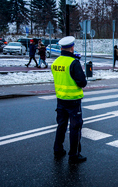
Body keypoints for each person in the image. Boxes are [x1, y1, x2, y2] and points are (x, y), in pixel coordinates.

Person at [51, 36, 87, 164]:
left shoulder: (55, 63)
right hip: (73, 100)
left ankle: (58, 149)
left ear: (61, 48)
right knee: (75, 128)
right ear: (72, 48)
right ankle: (74, 155)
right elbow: (82, 82)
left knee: (61, 125)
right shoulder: (74, 63)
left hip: (60, 99)